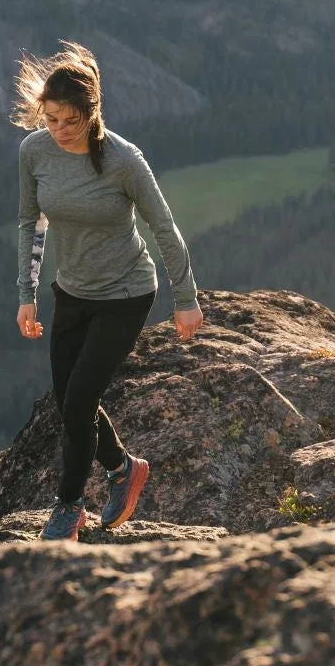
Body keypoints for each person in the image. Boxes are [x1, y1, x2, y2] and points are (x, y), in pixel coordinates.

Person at [13, 41, 205, 541]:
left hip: (125, 294)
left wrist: (185, 300)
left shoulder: (122, 160)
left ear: (92, 113)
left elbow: (164, 226)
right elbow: (29, 223)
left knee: (78, 400)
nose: (58, 130)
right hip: (71, 292)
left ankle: (68, 507)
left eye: (69, 120)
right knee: (67, 399)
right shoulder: (34, 152)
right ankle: (124, 470)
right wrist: (26, 292)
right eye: (51, 118)